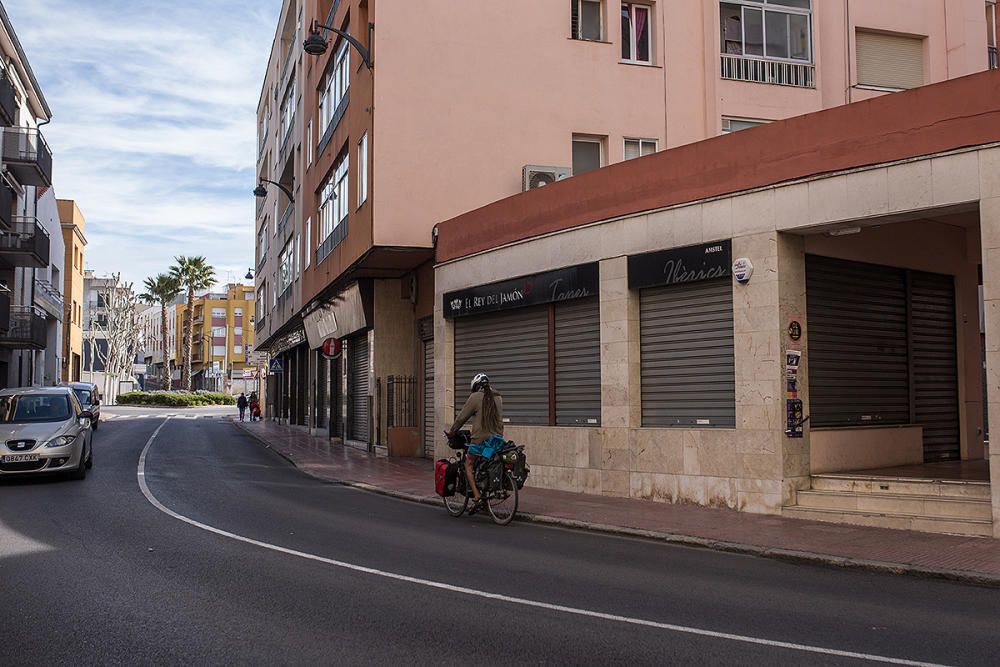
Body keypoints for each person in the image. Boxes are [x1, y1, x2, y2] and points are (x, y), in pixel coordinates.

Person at [447, 372, 504, 514]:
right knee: (486, 463)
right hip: (497, 440)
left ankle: (477, 496)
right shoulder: (498, 397)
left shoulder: (475, 397)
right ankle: (485, 492)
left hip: (480, 440)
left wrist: (452, 431)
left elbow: (461, 418)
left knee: (468, 464)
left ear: (476, 386)